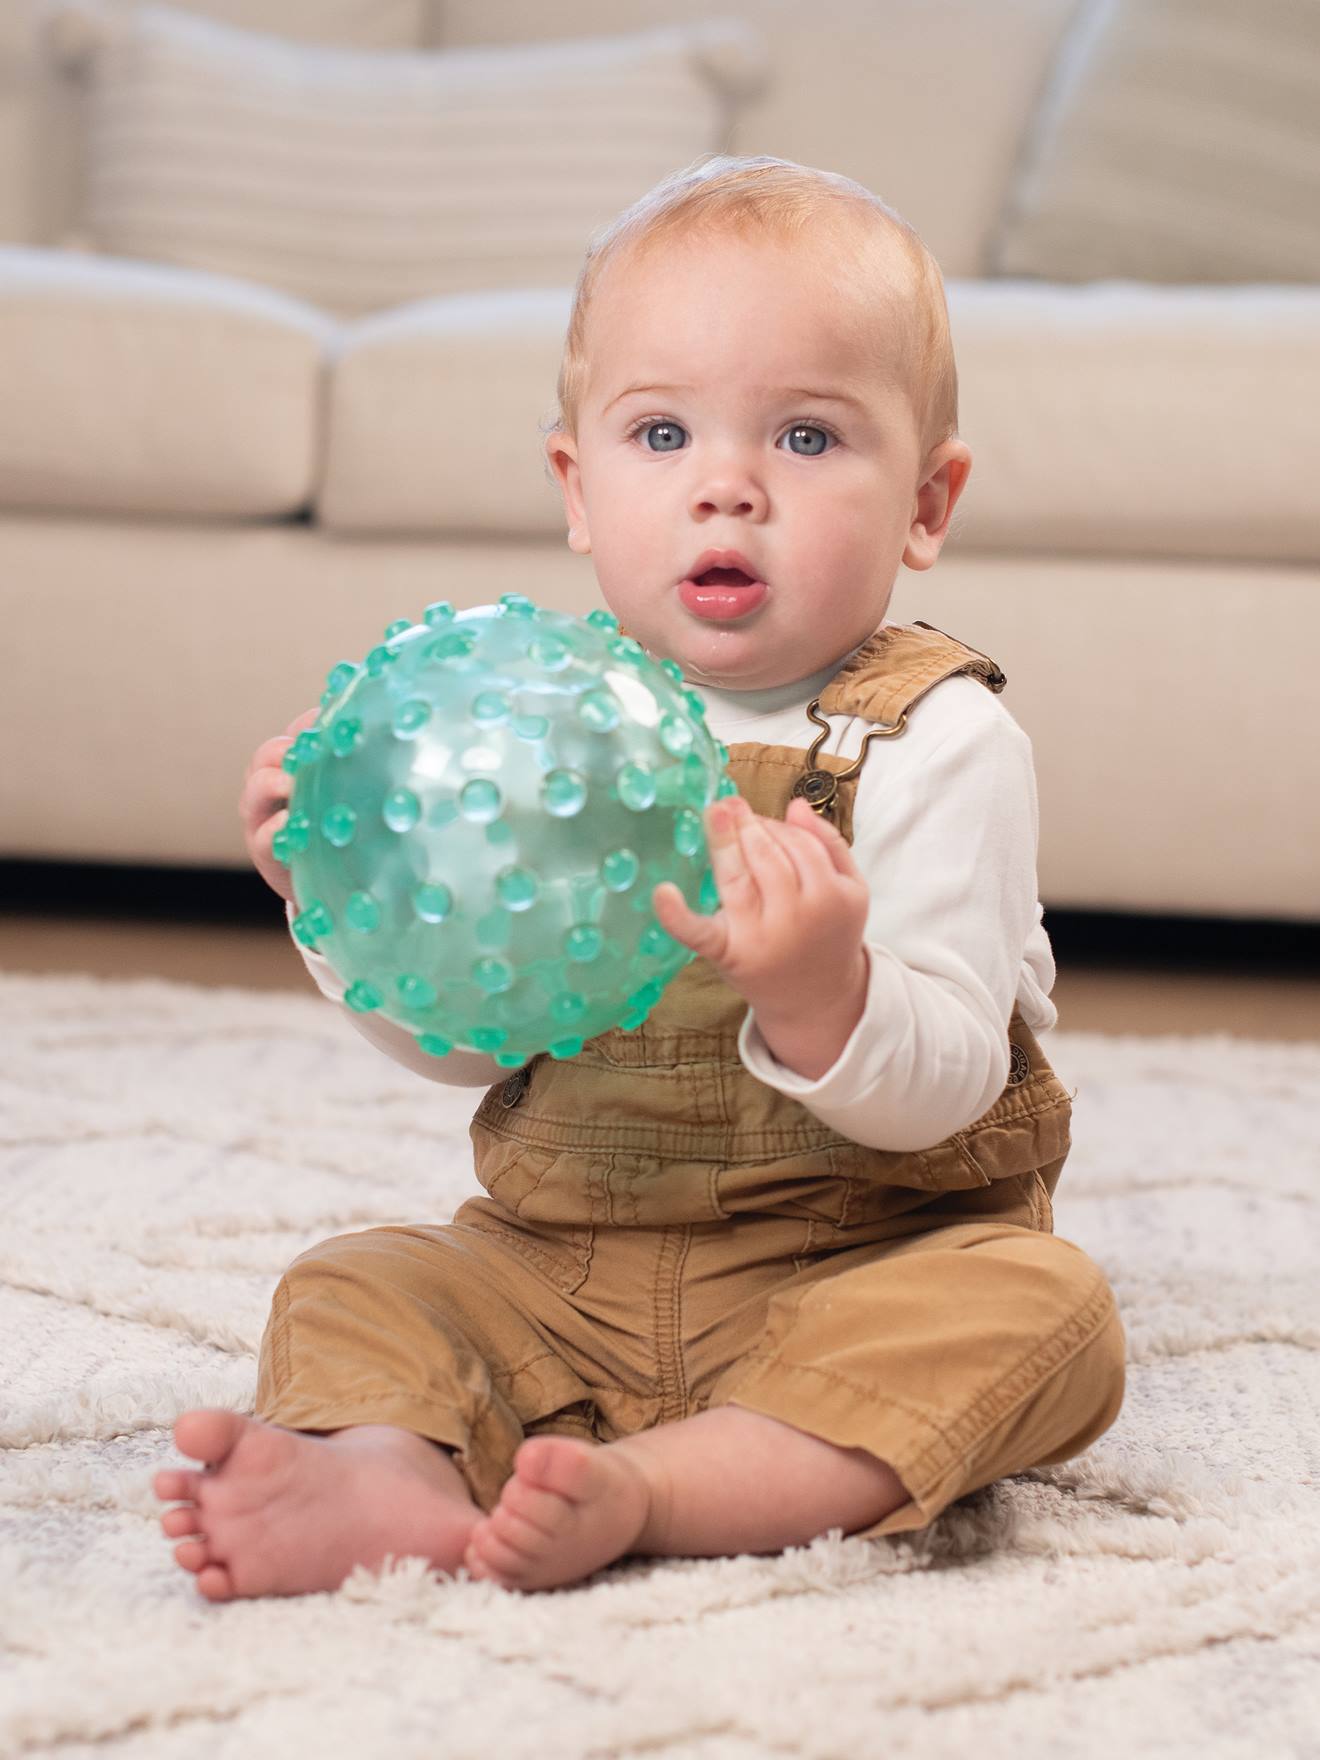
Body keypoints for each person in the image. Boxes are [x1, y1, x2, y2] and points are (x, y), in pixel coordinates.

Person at [153, 154, 1126, 1601]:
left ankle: (657, 1490)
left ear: (927, 503)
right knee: (362, 1279)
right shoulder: (521, 731)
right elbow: (464, 1041)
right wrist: (343, 901)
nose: (725, 487)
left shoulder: (938, 739)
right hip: (564, 1269)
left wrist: (823, 993)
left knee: (1047, 1316)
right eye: (661, 433)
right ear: (577, 487)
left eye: (805, 438)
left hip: (858, 1267)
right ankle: (390, 1479)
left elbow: (948, 1089)